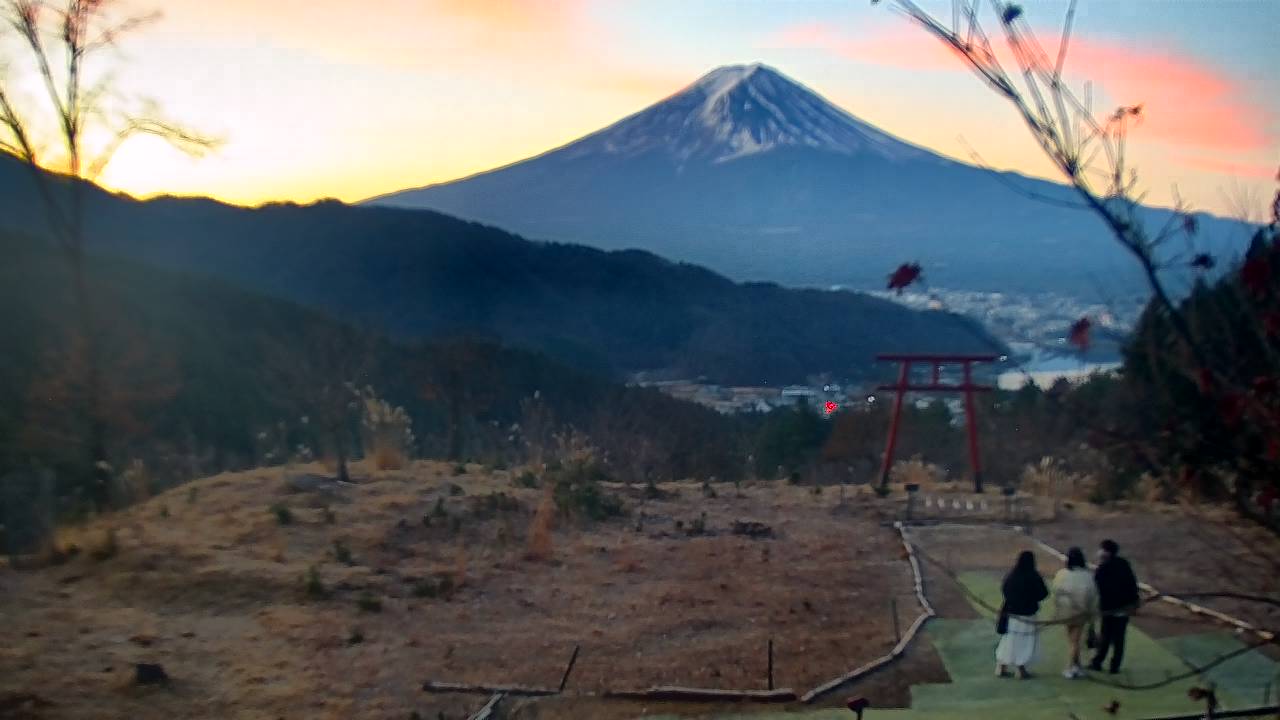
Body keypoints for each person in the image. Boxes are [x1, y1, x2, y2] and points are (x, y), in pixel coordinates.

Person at [996, 550, 1049, 679]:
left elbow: (1005, 589)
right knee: (1024, 641)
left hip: (1012, 614)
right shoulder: (1033, 576)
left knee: (1009, 639)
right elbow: (1043, 593)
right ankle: (1020, 669)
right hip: (1027, 614)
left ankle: (1001, 666)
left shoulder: (1012, 575)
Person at [1090, 539, 1140, 674]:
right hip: (1123, 608)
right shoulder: (1124, 564)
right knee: (1119, 638)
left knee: (1105, 636)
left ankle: (1098, 662)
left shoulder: (1102, 569)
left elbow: (1097, 590)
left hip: (1108, 609)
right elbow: (1132, 584)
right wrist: (1134, 602)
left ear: (1106, 552)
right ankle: (1115, 666)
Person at [1052, 547, 1098, 679]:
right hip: (1081, 612)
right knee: (1075, 641)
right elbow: (1093, 596)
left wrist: (1057, 609)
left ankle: (1077, 666)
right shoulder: (1087, 576)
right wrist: (1092, 615)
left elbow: (1056, 592)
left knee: (1072, 640)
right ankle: (1070, 667)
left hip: (1065, 611)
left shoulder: (1061, 574)